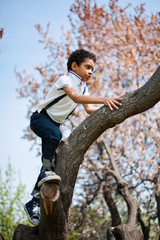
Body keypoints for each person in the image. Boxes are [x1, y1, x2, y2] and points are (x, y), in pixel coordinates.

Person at [24, 49, 122, 225]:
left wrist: (111, 108)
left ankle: (34, 202)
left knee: (56, 158)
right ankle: (46, 169)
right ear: (74, 66)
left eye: (93, 68)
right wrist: (104, 98)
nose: (91, 71)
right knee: (56, 135)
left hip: (53, 125)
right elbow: (75, 97)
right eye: (88, 67)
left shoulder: (83, 87)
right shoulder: (65, 80)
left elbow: (89, 109)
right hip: (40, 118)